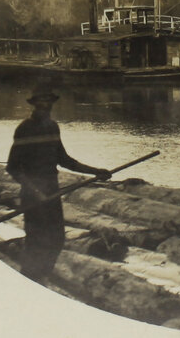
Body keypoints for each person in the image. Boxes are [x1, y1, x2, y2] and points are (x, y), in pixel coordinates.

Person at [6, 83, 111, 282]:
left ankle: (42, 277)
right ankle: (30, 280)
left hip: (52, 194)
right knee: (36, 242)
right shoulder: (25, 129)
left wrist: (95, 172)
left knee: (57, 239)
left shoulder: (52, 127)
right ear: (34, 104)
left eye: (49, 100)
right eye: (41, 100)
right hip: (33, 197)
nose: (45, 104)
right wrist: (35, 192)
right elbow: (13, 168)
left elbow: (64, 160)